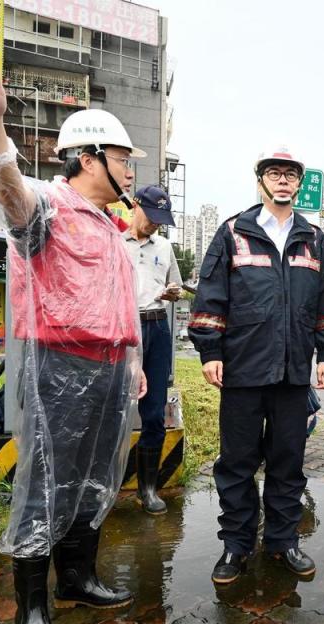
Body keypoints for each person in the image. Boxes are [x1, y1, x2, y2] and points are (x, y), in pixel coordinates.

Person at [0, 43, 146, 624]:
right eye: (124, 158)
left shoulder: (108, 224)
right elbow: (9, 192)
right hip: (57, 366)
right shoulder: (46, 206)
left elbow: (117, 304)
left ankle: (77, 577)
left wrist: (134, 364)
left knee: (97, 474)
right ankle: (32, 608)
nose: (131, 170)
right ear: (90, 157)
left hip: (108, 367)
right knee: (47, 480)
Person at [189, 147, 324, 585]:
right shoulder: (234, 231)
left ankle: (283, 540)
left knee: (287, 461)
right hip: (242, 369)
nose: (282, 181)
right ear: (261, 181)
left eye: (290, 175)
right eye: (274, 173)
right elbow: (211, 294)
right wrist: (210, 351)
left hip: (293, 372)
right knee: (237, 462)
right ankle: (236, 546)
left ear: (299, 184)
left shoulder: (313, 238)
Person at [124, 185, 183, 515]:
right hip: (123, 327)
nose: (155, 225)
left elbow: (174, 285)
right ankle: (103, 482)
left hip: (157, 326)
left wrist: (172, 292)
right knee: (113, 403)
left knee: (154, 408)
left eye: (161, 220)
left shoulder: (164, 246)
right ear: (135, 206)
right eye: (151, 216)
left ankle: (147, 488)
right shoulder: (116, 244)